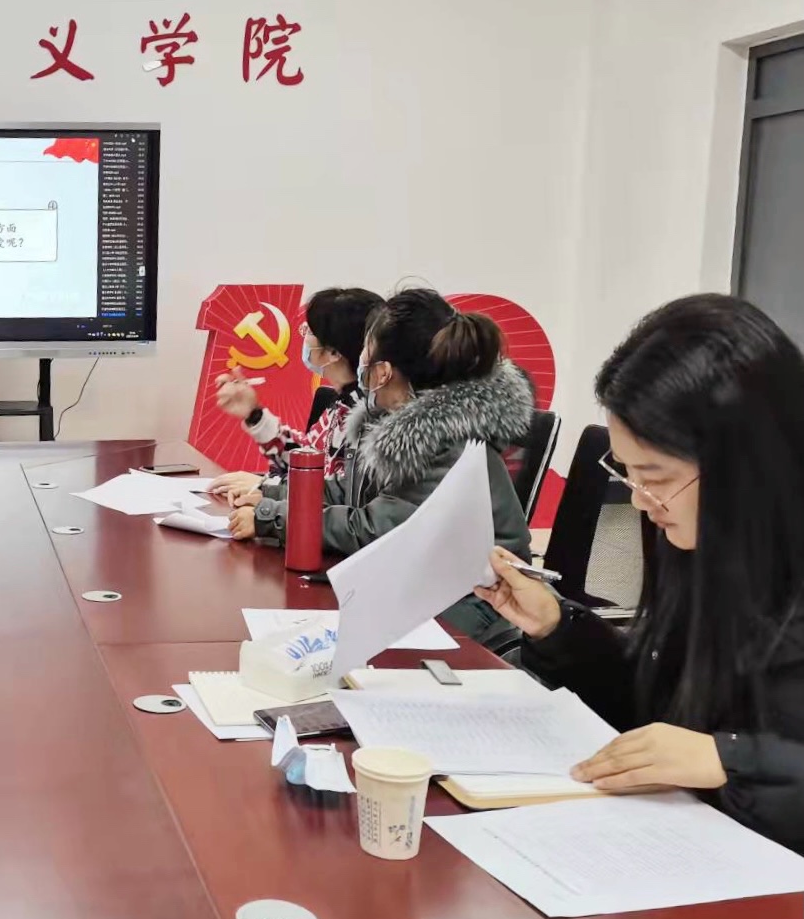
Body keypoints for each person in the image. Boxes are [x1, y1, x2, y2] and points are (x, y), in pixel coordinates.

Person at [478, 294, 804, 852]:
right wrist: (559, 627)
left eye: (657, 477)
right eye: (629, 474)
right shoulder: (696, 540)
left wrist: (729, 759)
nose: (640, 501)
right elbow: (659, 714)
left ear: (746, 461)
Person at [234, 288, 533, 639]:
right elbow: (350, 491)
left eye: (366, 350)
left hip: (470, 606)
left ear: (383, 372)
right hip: (417, 585)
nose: (360, 359)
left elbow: (375, 531)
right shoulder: (398, 422)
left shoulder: (442, 439)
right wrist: (274, 495)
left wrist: (273, 518)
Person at [209, 287, 385, 501]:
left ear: (333, 352)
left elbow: (336, 497)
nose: (304, 337)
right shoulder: (343, 402)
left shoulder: (367, 416)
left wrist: (265, 487)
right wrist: (254, 414)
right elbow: (305, 461)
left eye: (309, 331)